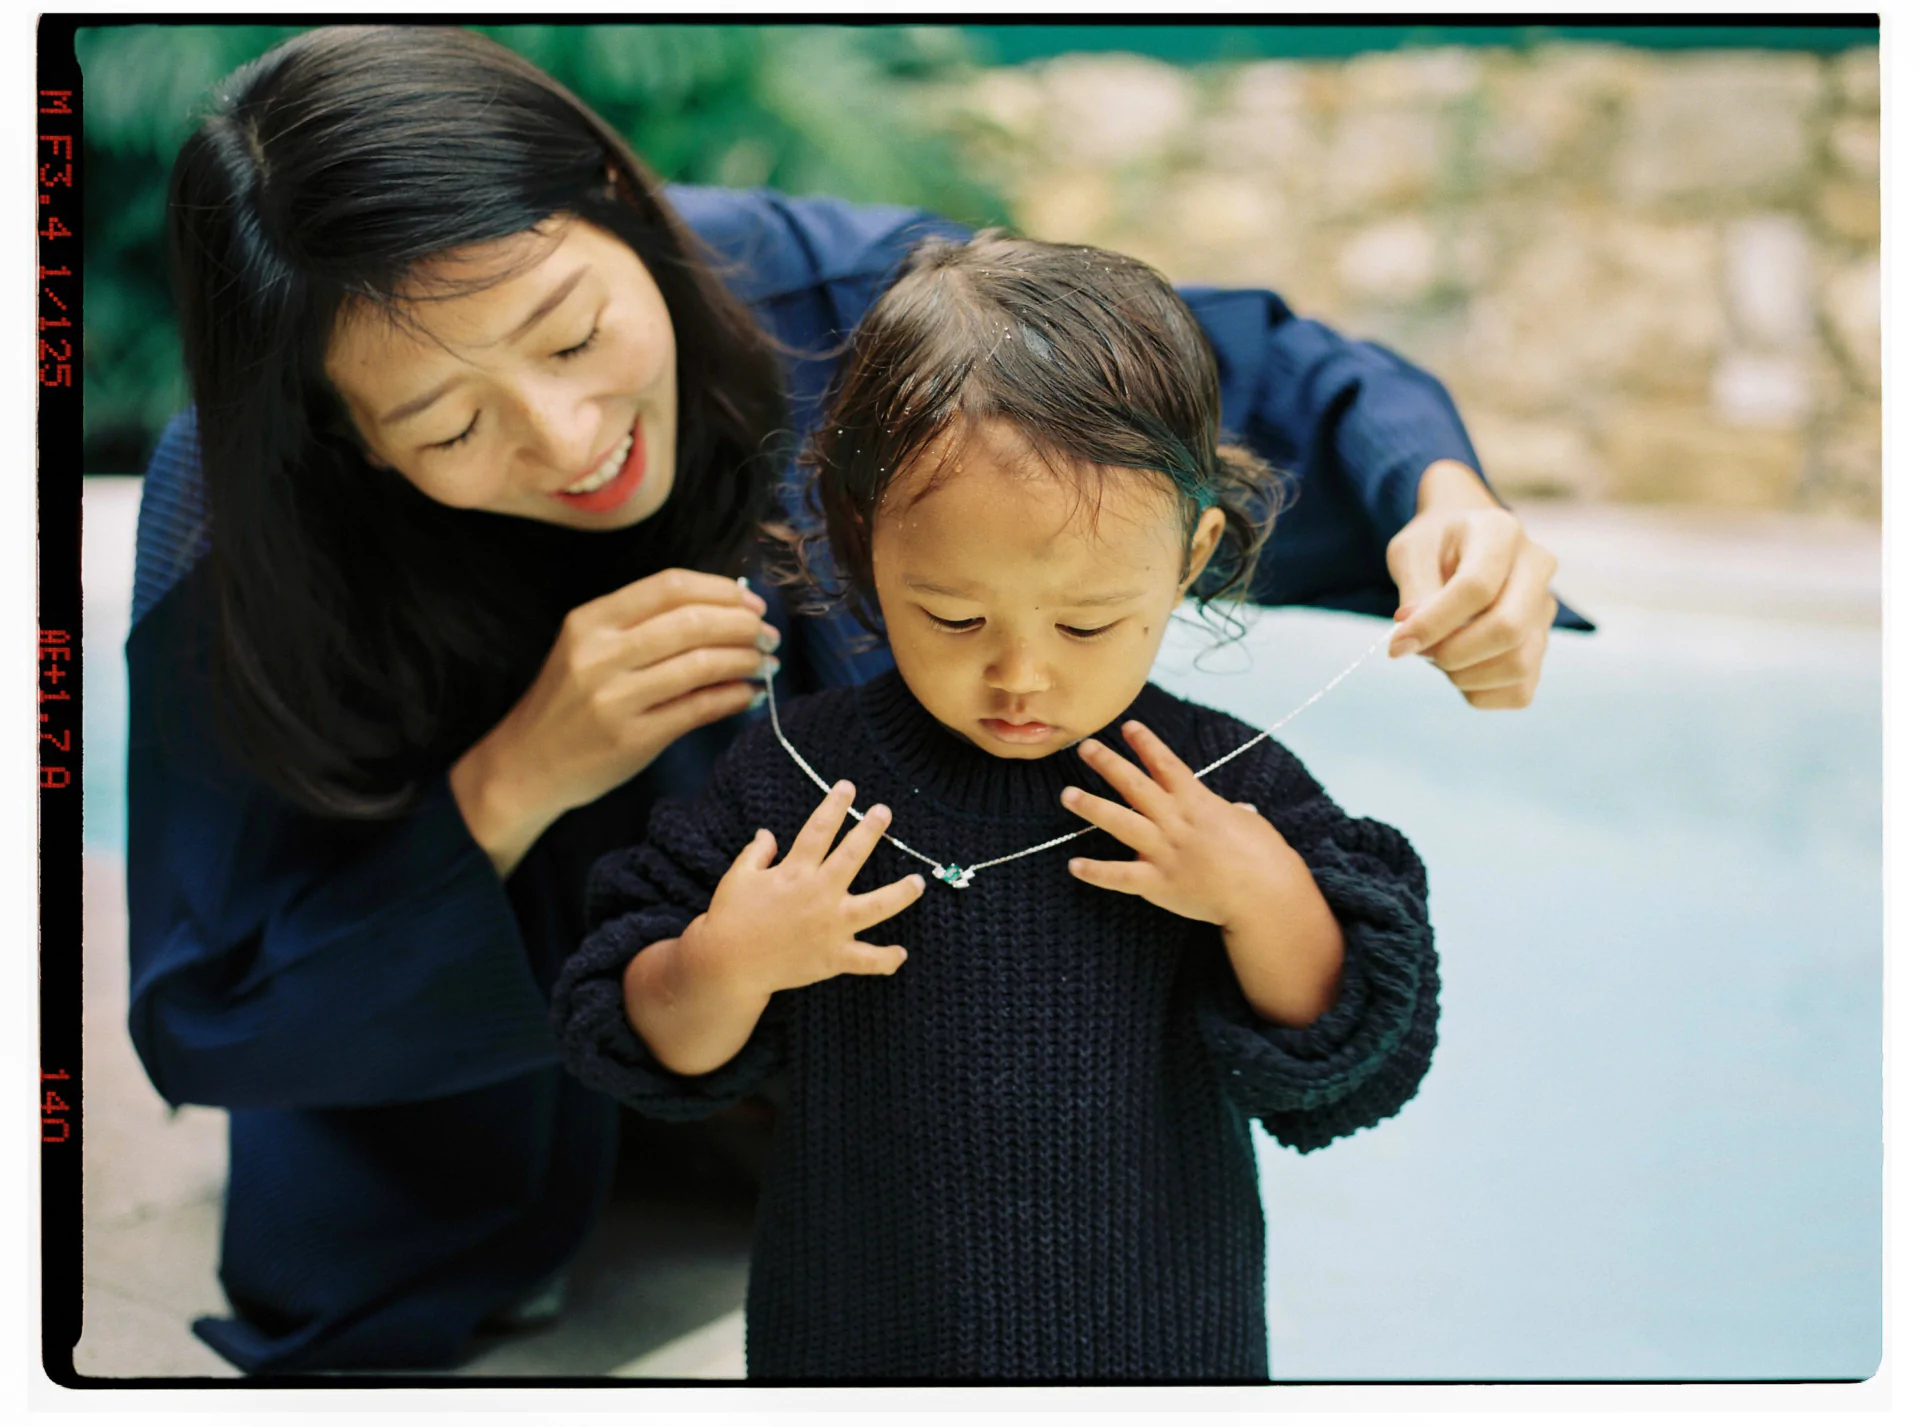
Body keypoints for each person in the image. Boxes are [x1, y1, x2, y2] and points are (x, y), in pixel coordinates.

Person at [127, 24, 1576, 1374]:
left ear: (621, 202)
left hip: (889, 1092)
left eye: (571, 335)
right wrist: (521, 771)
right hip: (501, 1073)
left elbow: (1269, 371)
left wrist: (1442, 499)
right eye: (445, 421)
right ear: (341, 435)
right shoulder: (248, 525)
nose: (569, 438)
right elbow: (213, 997)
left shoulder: (842, 309)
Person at [550, 233, 1437, 1381]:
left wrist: (1263, 896)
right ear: (868, 545)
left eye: (1085, 624)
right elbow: (630, 1034)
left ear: (1192, 552)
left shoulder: (1220, 791)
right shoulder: (801, 779)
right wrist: (729, 958)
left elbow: (1355, 1049)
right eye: (957, 618)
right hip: (857, 1343)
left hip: (1159, 1351)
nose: (1022, 675)